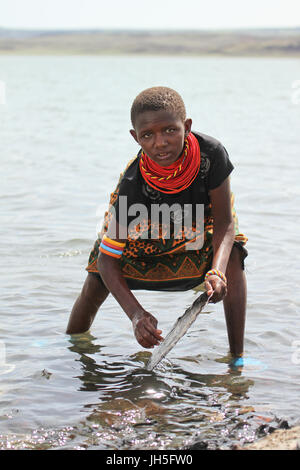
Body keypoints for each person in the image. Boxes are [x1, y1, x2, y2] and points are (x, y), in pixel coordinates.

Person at [66, 86, 248, 360]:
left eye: (170, 130)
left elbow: (225, 223)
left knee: (233, 253)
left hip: (195, 236)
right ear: (135, 138)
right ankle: (70, 349)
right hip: (145, 242)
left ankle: (237, 360)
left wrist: (217, 272)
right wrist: (136, 315)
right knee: (97, 276)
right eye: (147, 135)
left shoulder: (211, 156)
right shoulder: (132, 183)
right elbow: (107, 260)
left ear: (186, 126)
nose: (160, 142)